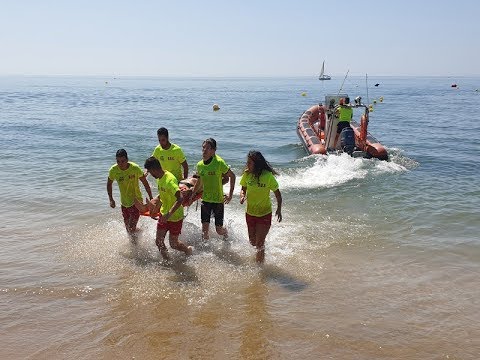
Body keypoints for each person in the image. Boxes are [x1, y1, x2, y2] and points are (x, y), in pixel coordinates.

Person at [137, 156, 192, 260]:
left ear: (154, 169)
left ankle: (188, 250)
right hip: (164, 215)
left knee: (174, 244)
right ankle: (168, 261)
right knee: (158, 241)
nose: (151, 175)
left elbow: (180, 198)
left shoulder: (169, 180)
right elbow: (163, 195)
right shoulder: (160, 178)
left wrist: (169, 214)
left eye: (150, 171)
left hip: (175, 217)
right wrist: (154, 208)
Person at [239, 151, 282, 263]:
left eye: (249, 163)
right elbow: (243, 188)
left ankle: (260, 269)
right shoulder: (247, 174)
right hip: (250, 213)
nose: (247, 165)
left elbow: (277, 193)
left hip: (264, 213)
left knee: (259, 243)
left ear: (257, 164)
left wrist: (279, 209)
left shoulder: (268, 176)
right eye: (247, 162)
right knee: (252, 242)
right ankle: (260, 255)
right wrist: (242, 196)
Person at [189, 138, 235, 241]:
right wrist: (193, 193)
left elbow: (232, 176)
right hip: (205, 200)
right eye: (203, 147)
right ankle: (206, 252)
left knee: (219, 230)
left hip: (218, 201)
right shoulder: (200, 165)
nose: (204, 150)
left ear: (213, 150)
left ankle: (225, 233)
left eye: (208, 148)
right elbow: (200, 181)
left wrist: (230, 195)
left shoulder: (219, 163)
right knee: (204, 231)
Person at [107, 149, 153, 237]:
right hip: (124, 203)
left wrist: (151, 198)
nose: (120, 164)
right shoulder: (113, 170)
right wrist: (111, 199)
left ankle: (135, 247)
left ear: (127, 159)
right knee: (128, 229)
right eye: (118, 161)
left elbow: (145, 183)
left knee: (131, 228)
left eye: (123, 161)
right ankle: (142, 233)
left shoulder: (135, 168)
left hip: (136, 202)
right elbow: (109, 184)